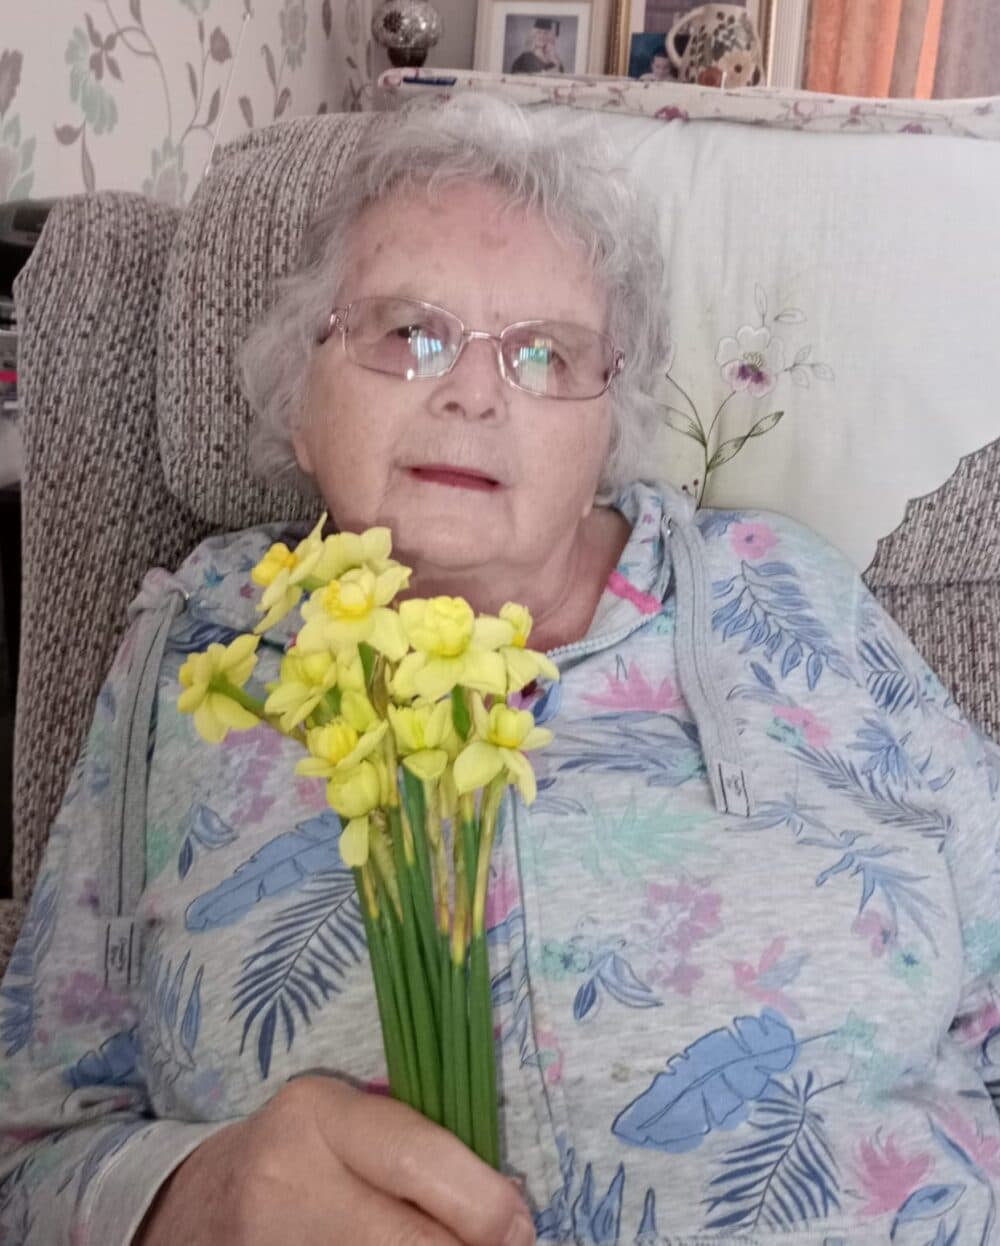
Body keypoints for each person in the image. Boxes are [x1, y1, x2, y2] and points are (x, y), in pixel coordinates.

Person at [2, 93, 1000, 1246]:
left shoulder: (776, 595)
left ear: (609, 432)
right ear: (298, 396)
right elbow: (34, 1146)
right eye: (406, 333)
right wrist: (194, 1199)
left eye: (545, 354)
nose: (472, 392)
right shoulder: (201, 648)